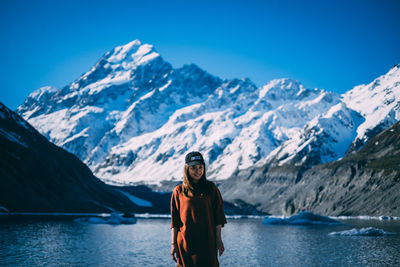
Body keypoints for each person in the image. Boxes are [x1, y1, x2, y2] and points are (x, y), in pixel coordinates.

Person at [170, 151, 227, 267]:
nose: (198, 171)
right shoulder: (179, 191)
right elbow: (175, 222)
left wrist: (218, 239)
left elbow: (218, 217)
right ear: (187, 169)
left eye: (201, 167)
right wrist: (173, 244)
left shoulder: (211, 189)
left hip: (207, 242)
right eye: (193, 168)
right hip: (185, 244)